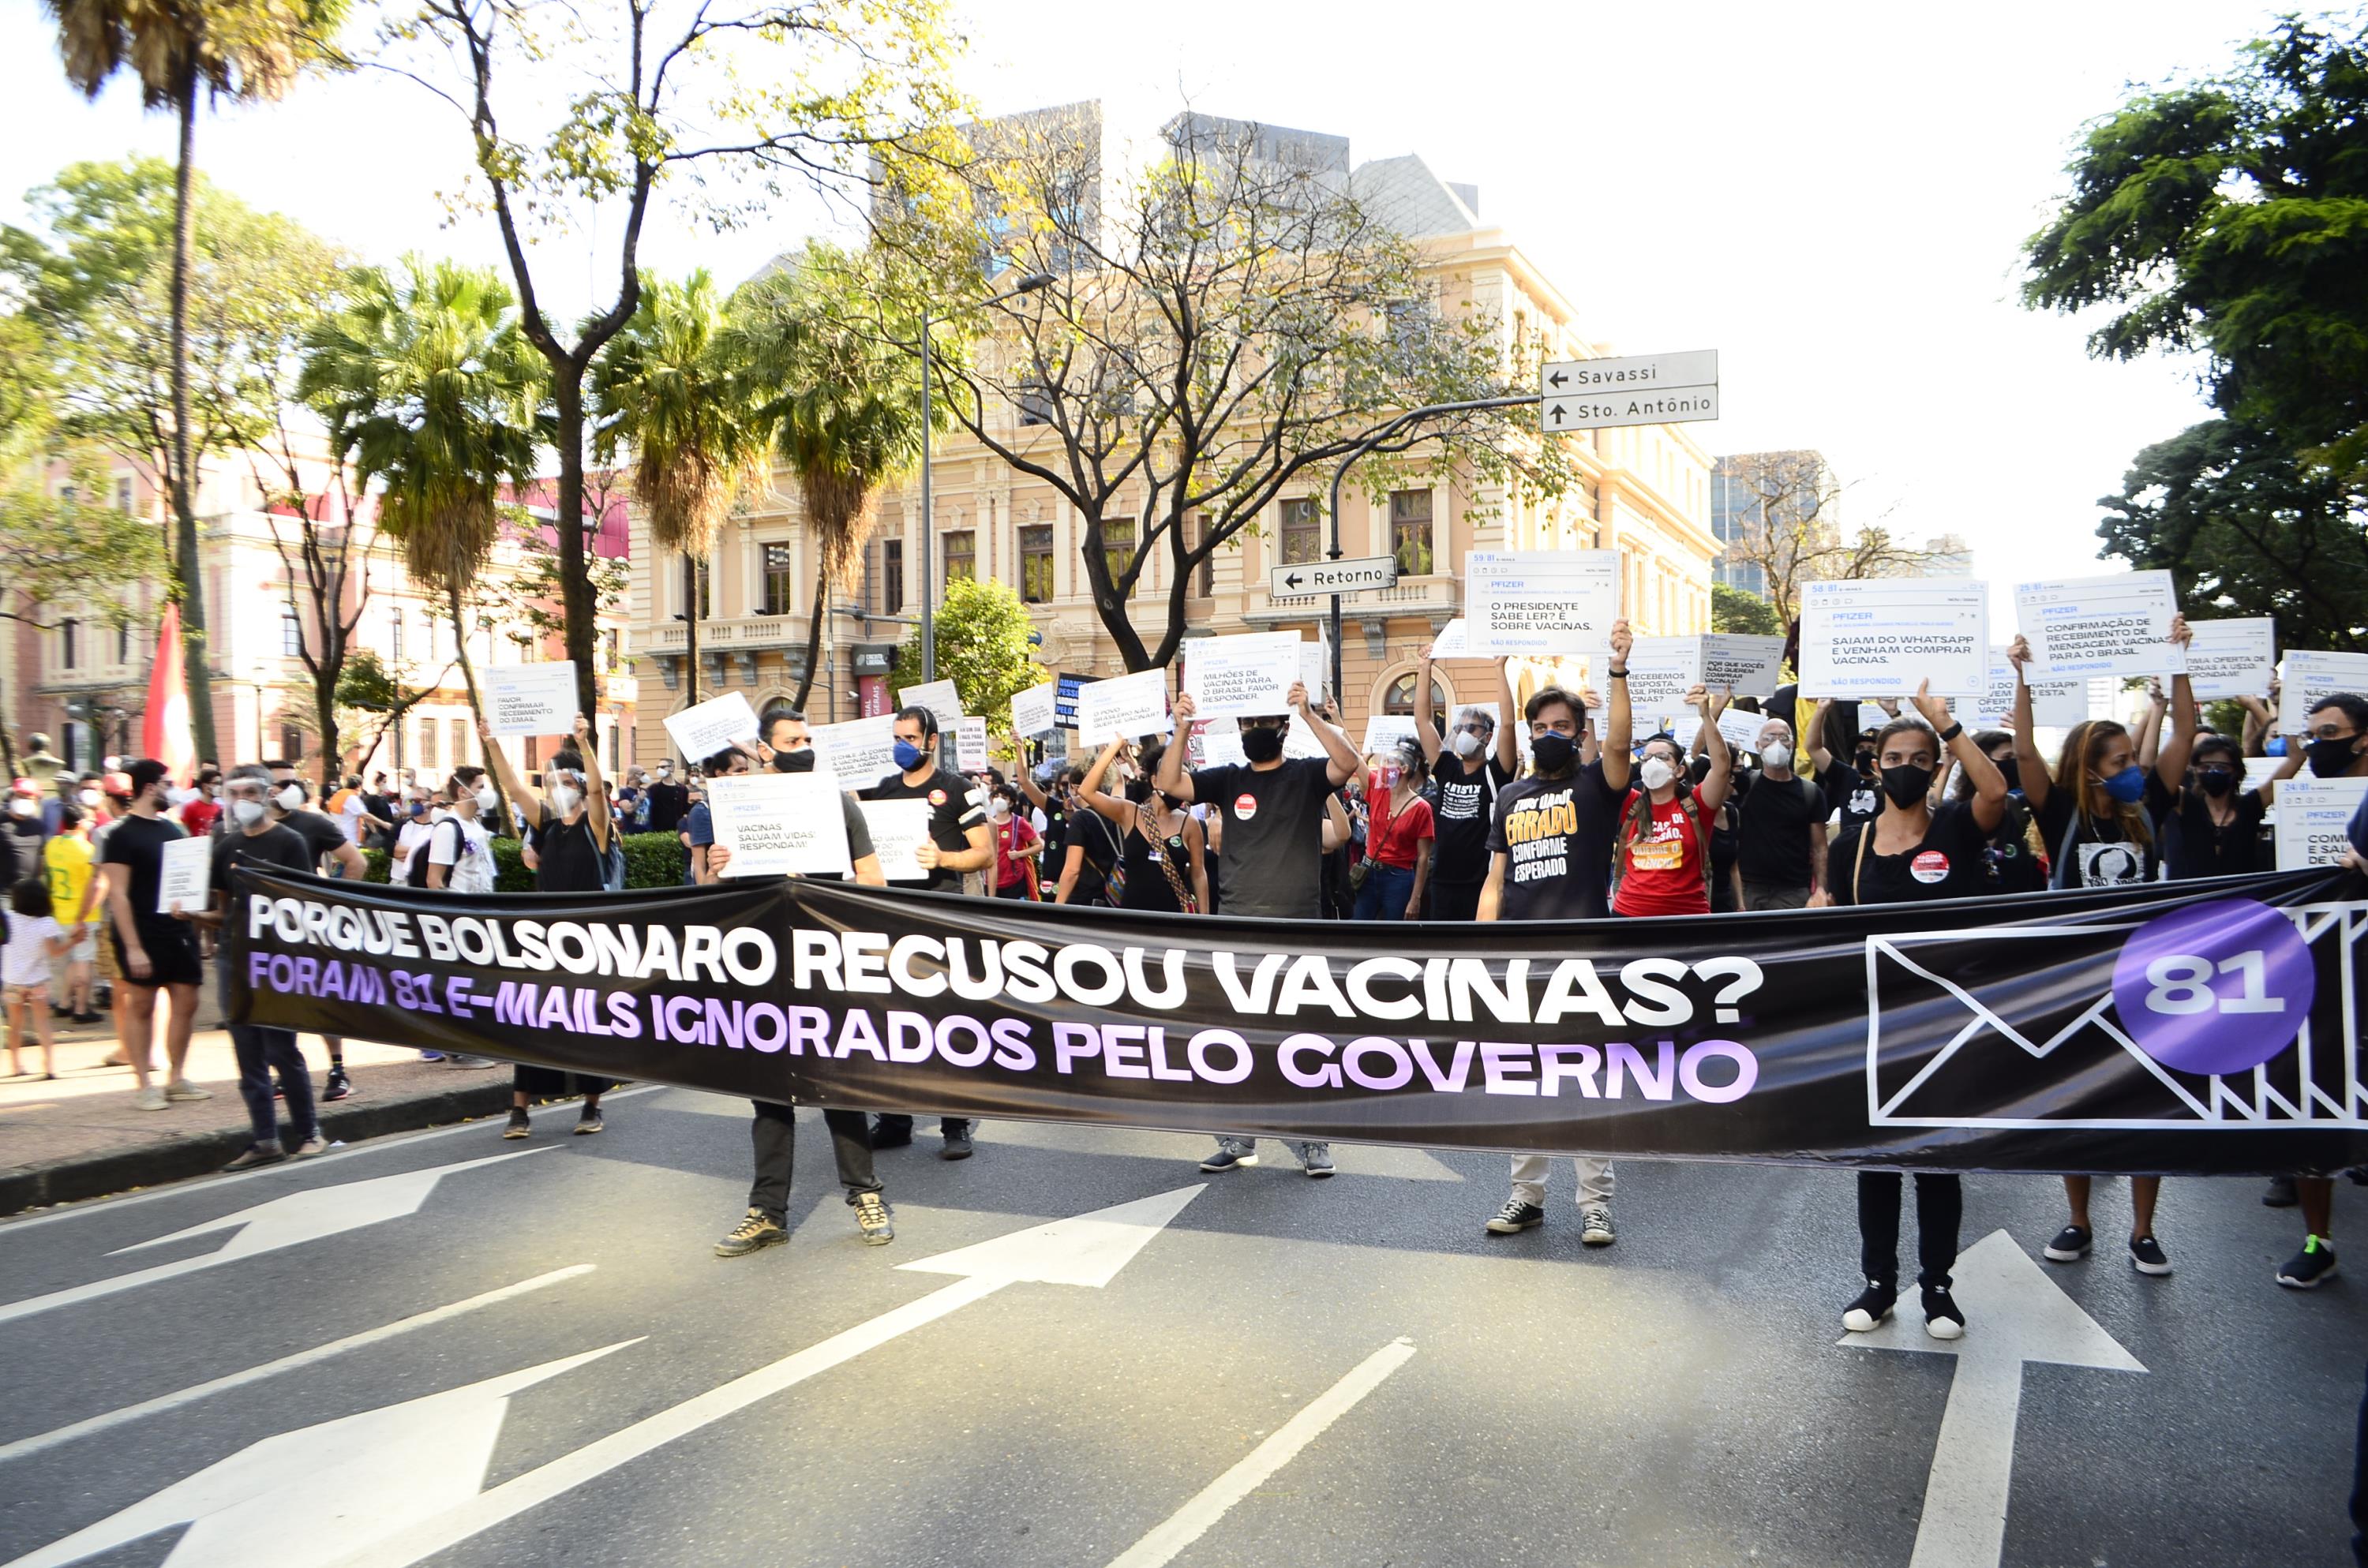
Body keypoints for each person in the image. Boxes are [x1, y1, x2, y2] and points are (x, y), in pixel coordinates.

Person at [1813, 689, 2007, 1340]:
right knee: (1876, 1155)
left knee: (1935, 1158)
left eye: (1919, 758)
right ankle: (1878, 1282)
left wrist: (1945, 721)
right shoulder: (1854, 844)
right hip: (1877, 1020)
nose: (1905, 767)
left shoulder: (1956, 826)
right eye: (1894, 756)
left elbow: (1997, 789)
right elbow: (1835, 922)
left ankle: (1939, 1287)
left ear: (1934, 766)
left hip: (1947, 1021)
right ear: (1874, 765)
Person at [2010, 625, 2183, 1278]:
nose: (2134, 769)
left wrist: (2178, 662)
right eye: (2119, 762)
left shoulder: (2148, 810)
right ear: (2089, 768)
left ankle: (2142, 1231)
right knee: (2074, 1100)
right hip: (2078, 980)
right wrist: (2021, 676)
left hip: (2146, 979)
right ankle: (2079, 1219)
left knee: (2147, 1104)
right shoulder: (2059, 812)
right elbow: (2025, 750)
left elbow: (2185, 735)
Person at [707, 708, 900, 1251]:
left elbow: (873, 879)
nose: (806, 745)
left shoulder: (836, 802)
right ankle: (767, 1211)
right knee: (768, 1091)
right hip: (762, 967)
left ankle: (865, 1194)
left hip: (822, 964)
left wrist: (821, 894)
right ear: (766, 749)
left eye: (809, 737)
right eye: (794, 739)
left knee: (836, 1081)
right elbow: (711, 889)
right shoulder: (738, 804)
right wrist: (718, 864)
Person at [1159, 679, 1362, 1177]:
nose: (1254, 730)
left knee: (1301, 1039)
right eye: (1247, 724)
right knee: (1240, 1039)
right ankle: (1239, 1137)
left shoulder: (1308, 775)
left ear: (1282, 727)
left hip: (1297, 930)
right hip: (1238, 931)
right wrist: (1182, 726)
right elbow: (1172, 783)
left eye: (1262, 723)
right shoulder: (1228, 779)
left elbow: (1349, 763)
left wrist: (1312, 715)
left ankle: (1312, 1140)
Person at [1478, 627, 1638, 1244]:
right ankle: (1527, 1195)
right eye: (1541, 724)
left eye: (1562, 726)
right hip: (1521, 960)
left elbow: (1621, 743)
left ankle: (1595, 1202)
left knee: (1586, 1080)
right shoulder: (1512, 795)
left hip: (1586, 960)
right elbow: (1496, 879)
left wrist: (1617, 670)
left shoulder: (1597, 788)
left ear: (1577, 732)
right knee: (1523, 1079)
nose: (1551, 733)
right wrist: (1479, 949)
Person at [860, 705, 995, 1159]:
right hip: (890, 920)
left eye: (911, 738)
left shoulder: (959, 790)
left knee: (946, 1021)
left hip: (939, 922)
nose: (903, 746)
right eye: (896, 737)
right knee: (890, 1020)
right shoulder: (883, 791)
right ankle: (895, 1120)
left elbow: (984, 854)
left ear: (931, 741)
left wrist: (943, 860)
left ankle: (954, 1123)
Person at [174, 765, 326, 1168]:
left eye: (250, 793)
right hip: (233, 958)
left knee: (281, 1046)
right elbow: (225, 913)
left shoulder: (290, 842)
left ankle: (310, 1133)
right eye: (233, 793)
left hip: (276, 960)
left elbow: (304, 904)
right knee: (246, 1050)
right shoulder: (226, 847)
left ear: (266, 795)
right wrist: (191, 915)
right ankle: (265, 1139)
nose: (241, 801)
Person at [478, 713, 619, 1137]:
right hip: (544, 939)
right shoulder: (547, 825)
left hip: (588, 939)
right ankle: (519, 1110)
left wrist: (585, 743)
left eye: (565, 782)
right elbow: (514, 787)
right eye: (551, 782)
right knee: (531, 1020)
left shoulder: (598, 827)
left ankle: (592, 1105)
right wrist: (493, 743)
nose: (557, 788)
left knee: (587, 1023)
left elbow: (596, 789)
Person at [2272, 691, 2368, 1289]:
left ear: (2363, 738)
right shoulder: (2302, 799)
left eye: (2328, 732)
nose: (2316, 745)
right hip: (2329, 969)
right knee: (2317, 1099)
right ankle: (2318, 1238)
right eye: (2311, 734)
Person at [99, 759, 211, 1112]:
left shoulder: (173, 830)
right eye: (165, 783)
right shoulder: (121, 835)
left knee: (187, 1001)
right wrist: (133, 947)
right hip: (141, 932)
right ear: (149, 788)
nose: (171, 789)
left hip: (177, 930)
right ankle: (145, 1084)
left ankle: (176, 1078)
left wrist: (193, 915)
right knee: (143, 1005)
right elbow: (117, 893)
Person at [263, 765, 365, 1099]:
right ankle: (284, 1070)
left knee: (322, 999)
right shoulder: (243, 829)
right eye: (284, 783)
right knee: (277, 1002)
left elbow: (356, 863)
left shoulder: (311, 822)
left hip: (309, 929)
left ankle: (337, 1071)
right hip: (266, 932)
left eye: (295, 782)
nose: (293, 789)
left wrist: (334, 906)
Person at [1412, 647, 1522, 920]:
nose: (1463, 733)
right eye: (1460, 727)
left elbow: (1508, 724)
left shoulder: (1496, 772)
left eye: (1472, 728)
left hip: (1481, 884)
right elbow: (1422, 721)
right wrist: (1425, 668)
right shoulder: (1448, 767)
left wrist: (1499, 669)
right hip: (1443, 883)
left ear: (1487, 737)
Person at [1610, 687, 1733, 919]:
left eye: (1662, 757)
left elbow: (1722, 767)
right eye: (1646, 758)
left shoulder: (1697, 804)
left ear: (1679, 771)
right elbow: (1603, 766)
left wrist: (1706, 715)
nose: (1652, 763)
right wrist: (1590, 719)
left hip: (1686, 921)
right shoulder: (1632, 804)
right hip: (1629, 918)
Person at [1077, 736, 1210, 914]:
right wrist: (1114, 746)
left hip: (1172, 921)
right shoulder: (1130, 813)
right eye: (1174, 778)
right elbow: (1086, 791)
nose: (1179, 786)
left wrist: (1204, 920)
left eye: (1182, 779)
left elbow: (1199, 873)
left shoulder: (1190, 824)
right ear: (1155, 781)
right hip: (1131, 919)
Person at [1732, 713, 1829, 909]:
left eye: (1783, 738)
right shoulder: (1746, 784)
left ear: (1792, 745)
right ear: (1758, 746)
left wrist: (1820, 889)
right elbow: (1715, 765)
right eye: (1769, 738)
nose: (1776, 743)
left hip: (1793, 891)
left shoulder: (1810, 792)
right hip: (1748, 889)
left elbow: (1820, 848)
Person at [1353, 741, 1434, 922]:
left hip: (1398, 879)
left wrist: (1415, 899)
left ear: (1404, 768)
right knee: (1358, 929)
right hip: (1369, 872)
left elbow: (1423, 858)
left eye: (1390, 762)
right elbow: (1353, 759)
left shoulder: (1422, 808)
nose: (1383, 766)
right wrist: (1335, 716)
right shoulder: (1378, 789)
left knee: (1395, 935)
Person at [42, 804, 101, 1023]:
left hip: (59, 912)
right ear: (80, 823)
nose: (93, 822)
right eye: (89, 819)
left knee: (72, 961)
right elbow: (93, 886)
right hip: (84, 914)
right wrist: (82, 918)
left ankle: (65, 1002)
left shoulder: (52, 845)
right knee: (84, 961)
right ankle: (81, 1008)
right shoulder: (87, 850)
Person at [5, 876, 66, 1079]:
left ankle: (16, 1065)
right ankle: (49, 1066)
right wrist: (73, 941)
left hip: (12, 980)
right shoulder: (47, 923)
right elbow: (55, 952)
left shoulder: (8, 919)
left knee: (15, 1025)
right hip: (37, 981)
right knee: (42, 1024)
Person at [1050, 765, 1123, 907]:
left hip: (1085, 900)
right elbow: (1119, 783)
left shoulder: (1080, 819)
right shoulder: (1118, 811)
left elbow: (1072, 870)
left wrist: (1058, 905)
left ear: (1075, 787)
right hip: (1114, 897)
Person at [986, 782, 1043, 899]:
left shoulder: (1019, 822)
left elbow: (1039, 845)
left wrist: (1019, 854)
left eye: (1004, 797)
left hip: (1013, 881)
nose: (999, 800)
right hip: (990, 881)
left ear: (1011, 802)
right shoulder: (988, 823)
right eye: (997, 796)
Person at [643, 758, 688, 837]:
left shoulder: (682, 789)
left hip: (678, 831)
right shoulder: (654, 789)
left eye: (663, 767)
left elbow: (686, 809)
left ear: (672, 768)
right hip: (659, 832)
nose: (660, 770)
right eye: (658, 767)